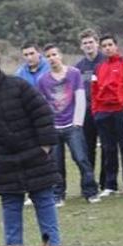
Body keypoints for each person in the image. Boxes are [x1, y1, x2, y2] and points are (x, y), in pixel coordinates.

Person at [0, 49, 65, 246]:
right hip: (3, 160)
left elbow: (42, 113)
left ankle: (53, 244)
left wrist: (45, 146)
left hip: (34, 154)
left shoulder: (18, 85)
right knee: (11, 205)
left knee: (44, 200)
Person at [37, 44, 100, 206]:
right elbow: (43, 104)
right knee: (56, 163)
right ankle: (58, 195)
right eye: (48, 56)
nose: (52, 59)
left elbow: (80, 97)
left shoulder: (74, 73)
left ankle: (90, 191)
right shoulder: (43, 80)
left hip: (73, 125)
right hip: (54, 127)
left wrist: (78, 122)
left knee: (81, 158)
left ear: (60, 55)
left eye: (54, 55)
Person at [92, 35, 123, 196]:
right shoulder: (99, 67)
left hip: (120, 110)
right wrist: (95, 110)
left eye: (110, 45)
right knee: (108, 149)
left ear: (116, 46)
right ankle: (110, 184)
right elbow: (94, 90)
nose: (107, 48)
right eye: (104, 46)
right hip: (103, 112)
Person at [74, 29, 106, 194]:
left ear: (97, 43)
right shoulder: (78, 67)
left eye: (91, 42)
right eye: (85, 43)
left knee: (107, 148)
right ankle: (88, 182)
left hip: (104, 110)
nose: (88, 45)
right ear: (81, 46)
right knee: (87, 149)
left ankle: (107, 183)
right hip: (86, 112)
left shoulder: (105, 61)